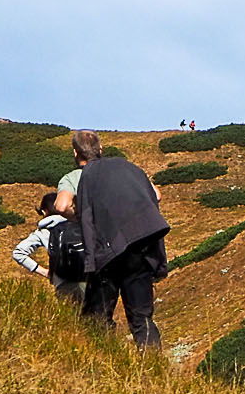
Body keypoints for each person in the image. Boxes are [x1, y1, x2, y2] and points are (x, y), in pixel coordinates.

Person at [52, 130, 170, 347]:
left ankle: (101, 363)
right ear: (101, 149)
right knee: (142, 317)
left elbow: (60, 206)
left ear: (75, 153)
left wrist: (83, 217)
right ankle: (153, 368)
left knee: (97, 317)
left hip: (108, 250)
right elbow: (157, 195)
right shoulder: (128, 166)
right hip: (142, 244)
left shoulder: (80, 176)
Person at [10, 192, 86, 310]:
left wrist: (43, 271)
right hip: (89, 279)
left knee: (72, 322)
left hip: (62, 283)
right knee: (94, 321)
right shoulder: (80, 225)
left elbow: (18, 253)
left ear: (44, 211)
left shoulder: (44, 232)